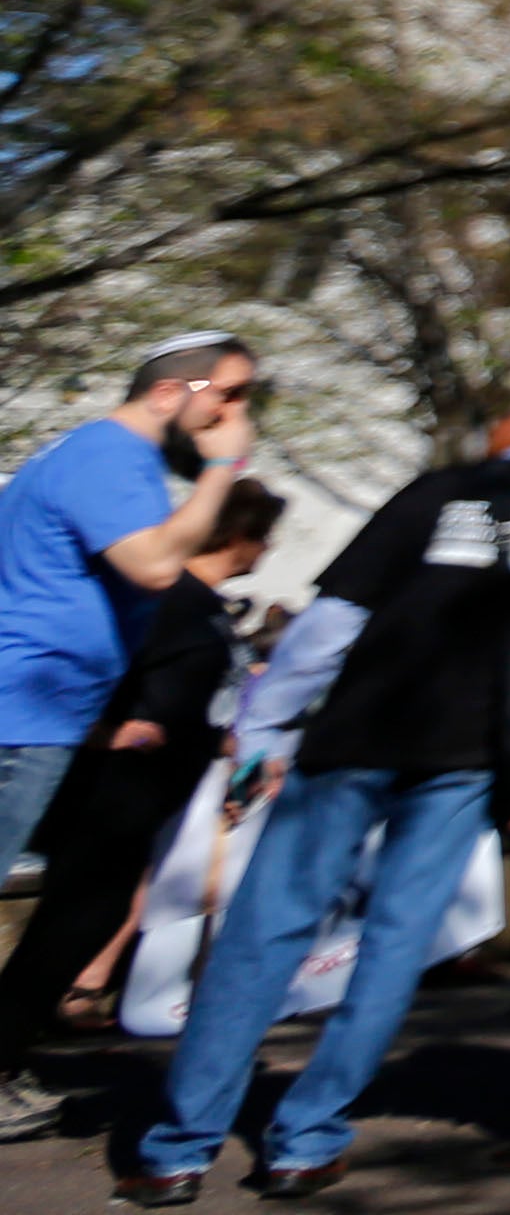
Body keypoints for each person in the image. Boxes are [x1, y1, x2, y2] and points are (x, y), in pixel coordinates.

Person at [135, 374, 510, 1204]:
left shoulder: (440, 489)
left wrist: (266, 726)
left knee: (265, 931)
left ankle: (175, 1152)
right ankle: (306, 1140)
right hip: (474, 752)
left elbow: (334, 620)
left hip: (359, 733)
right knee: (398, 942)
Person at [0, 477, 280, 1137]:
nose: (267, 549)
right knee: (67, 930)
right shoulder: (168, 601)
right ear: (238, 536)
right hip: (109, 795)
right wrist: (106, 732)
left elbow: (198, 697)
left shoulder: (202, 605)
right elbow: (77, 676)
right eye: (264, 535)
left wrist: (226, 745)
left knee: (78, 930)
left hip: (148, 797)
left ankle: (11, 1056)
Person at [0, 339, 264, 888]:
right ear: (168, 392)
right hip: (24, 715)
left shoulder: (106, 454)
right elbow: (156, 568)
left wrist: (98, 725)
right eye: (229, 395)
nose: (237, 416)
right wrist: (222, 466)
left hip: (38, 709)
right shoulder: (110, 455)